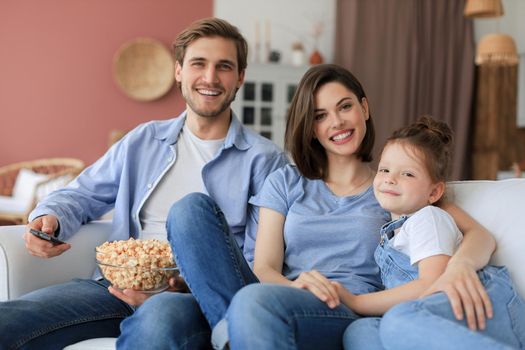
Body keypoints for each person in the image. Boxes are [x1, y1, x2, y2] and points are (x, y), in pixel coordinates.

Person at [0, 17, 287, 350]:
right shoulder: (144, 139)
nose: (210, 78)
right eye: (198, 64)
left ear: (240, 77)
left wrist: (180, 284)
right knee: (9, 321)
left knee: (157, 322)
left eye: (223, 66)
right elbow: (83, 193)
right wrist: (49, 217)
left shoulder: (264, 160)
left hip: (189, 298)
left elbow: (258, 259)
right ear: (179, 71)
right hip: (114, 287)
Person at [166, 64, 497, 350]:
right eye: (321, 116)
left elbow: (478, 235)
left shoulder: (393, 187)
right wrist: (297, 287)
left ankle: (231, 330)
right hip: (284, 296)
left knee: (253, 303)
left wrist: (460, 267)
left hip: (346, 307)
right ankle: (233, 325)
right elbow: (265, 267)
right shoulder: (285, 181)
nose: (336, 122)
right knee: (190, 210)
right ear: (311, 128)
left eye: (345, 107)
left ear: (364, 108)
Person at [341, 116, 525, 350]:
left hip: (484, 305)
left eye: (407, 174)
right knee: (359, 331)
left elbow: (429, 283)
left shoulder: (428, 218)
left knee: (398, 320)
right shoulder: (396, 232)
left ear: (434, 191)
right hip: (444, 316)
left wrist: (355, 301)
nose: (390, 178)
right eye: (385, 169)